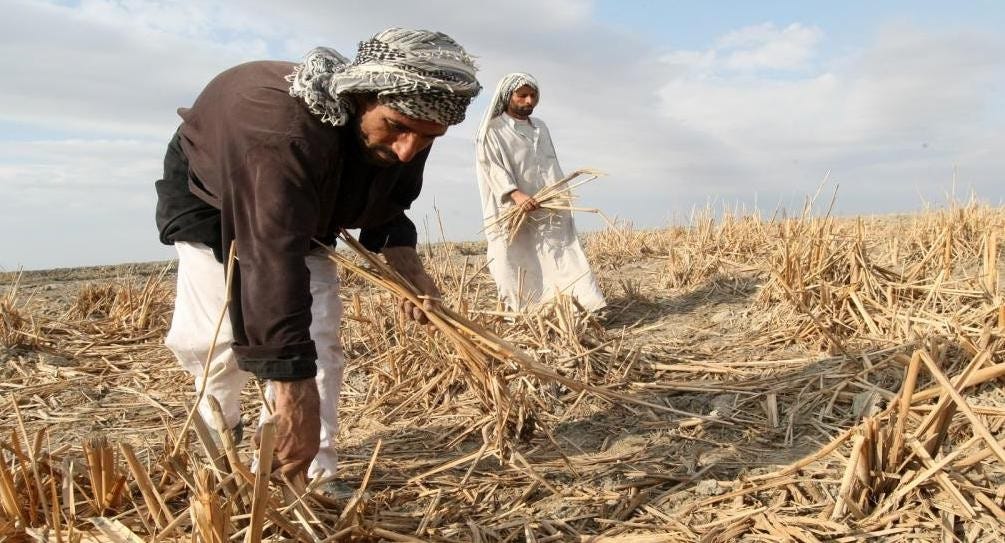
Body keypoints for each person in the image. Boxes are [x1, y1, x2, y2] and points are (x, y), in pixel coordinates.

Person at [154, 28, 481, 480]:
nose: (409, 150)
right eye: (399, 128)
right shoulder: (279, 132)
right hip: (214, 198)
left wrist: (408, 268)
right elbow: (272, 257)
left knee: (319, 336)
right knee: (221, 342)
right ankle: (221, 435)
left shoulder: (406, 128)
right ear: (360, 98)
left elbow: (388, 203)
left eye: (428, 138)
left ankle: (312, 474)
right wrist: (292, 390)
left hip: (303, 205)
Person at [474, 73, 605, 313]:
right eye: (522, 95)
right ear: (507, 96)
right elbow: (491, 166)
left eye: (533, 95)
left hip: (548, 204)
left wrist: (557, 195)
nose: (529, 101)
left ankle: (581, 307)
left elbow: (549, 163)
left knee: (562, 253)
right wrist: (515, 194)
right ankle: (526, 312)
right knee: (515, 258)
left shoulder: (540, 128)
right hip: (512, 209)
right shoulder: (492, 130)